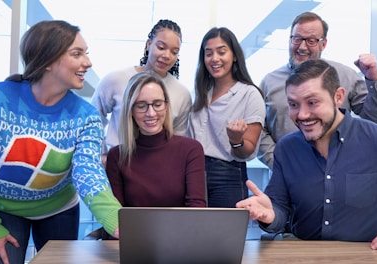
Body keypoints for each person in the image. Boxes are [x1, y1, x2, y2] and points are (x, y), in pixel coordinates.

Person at [0, 20, 122, 264]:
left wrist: (115, 219)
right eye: (77, 54)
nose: (88, 62)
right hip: (0, 210)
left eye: (86, 53)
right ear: (49, 60)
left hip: (58, 208)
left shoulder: (86, 117)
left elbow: (89, 171)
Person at [236, 59, 377, 254]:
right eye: (293, 104)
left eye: (312, 102)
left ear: (338, 96)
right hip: (302, 255)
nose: (301, 115)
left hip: (368, 258)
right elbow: (280, 209)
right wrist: (270, 214)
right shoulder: (287, 148)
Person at [257, 11, 377, 169]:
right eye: (297, 39)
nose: (302, 46)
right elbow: (258, 129)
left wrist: (374, 79)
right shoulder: (269, 82)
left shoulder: (345, 76)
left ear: (323, 44)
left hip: (338, 174)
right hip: (286, 178)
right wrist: (277, 161)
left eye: (311, 41)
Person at [91, 19, 192, 164]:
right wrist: (102, 154)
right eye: (161, 47)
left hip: (156, 167)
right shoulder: (115, 79)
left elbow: (177, 140)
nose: (167, 55)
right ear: (148, 44)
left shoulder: (182, 94)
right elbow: (93, 118)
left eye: (174, 52)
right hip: (116, 164)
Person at [188, 27, 265, 208]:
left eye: (221, 52)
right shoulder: (198, 93)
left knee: (224, 235)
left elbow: (247, 150)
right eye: (209, 53)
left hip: (227, 176)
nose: (215, 59)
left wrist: (236, 140)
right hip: (192, 172)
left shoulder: (249, 94)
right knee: (190, 233)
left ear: (235, 56)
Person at [106, 71, 207, 208]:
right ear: (131, 111)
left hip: (182, 229)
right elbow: (117, 216)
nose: (151, 113)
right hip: (135, 230)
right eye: (141, 105)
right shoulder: (117, 156)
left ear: (166, 106)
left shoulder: (190, 150)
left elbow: (197, 208)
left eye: (157, 104)